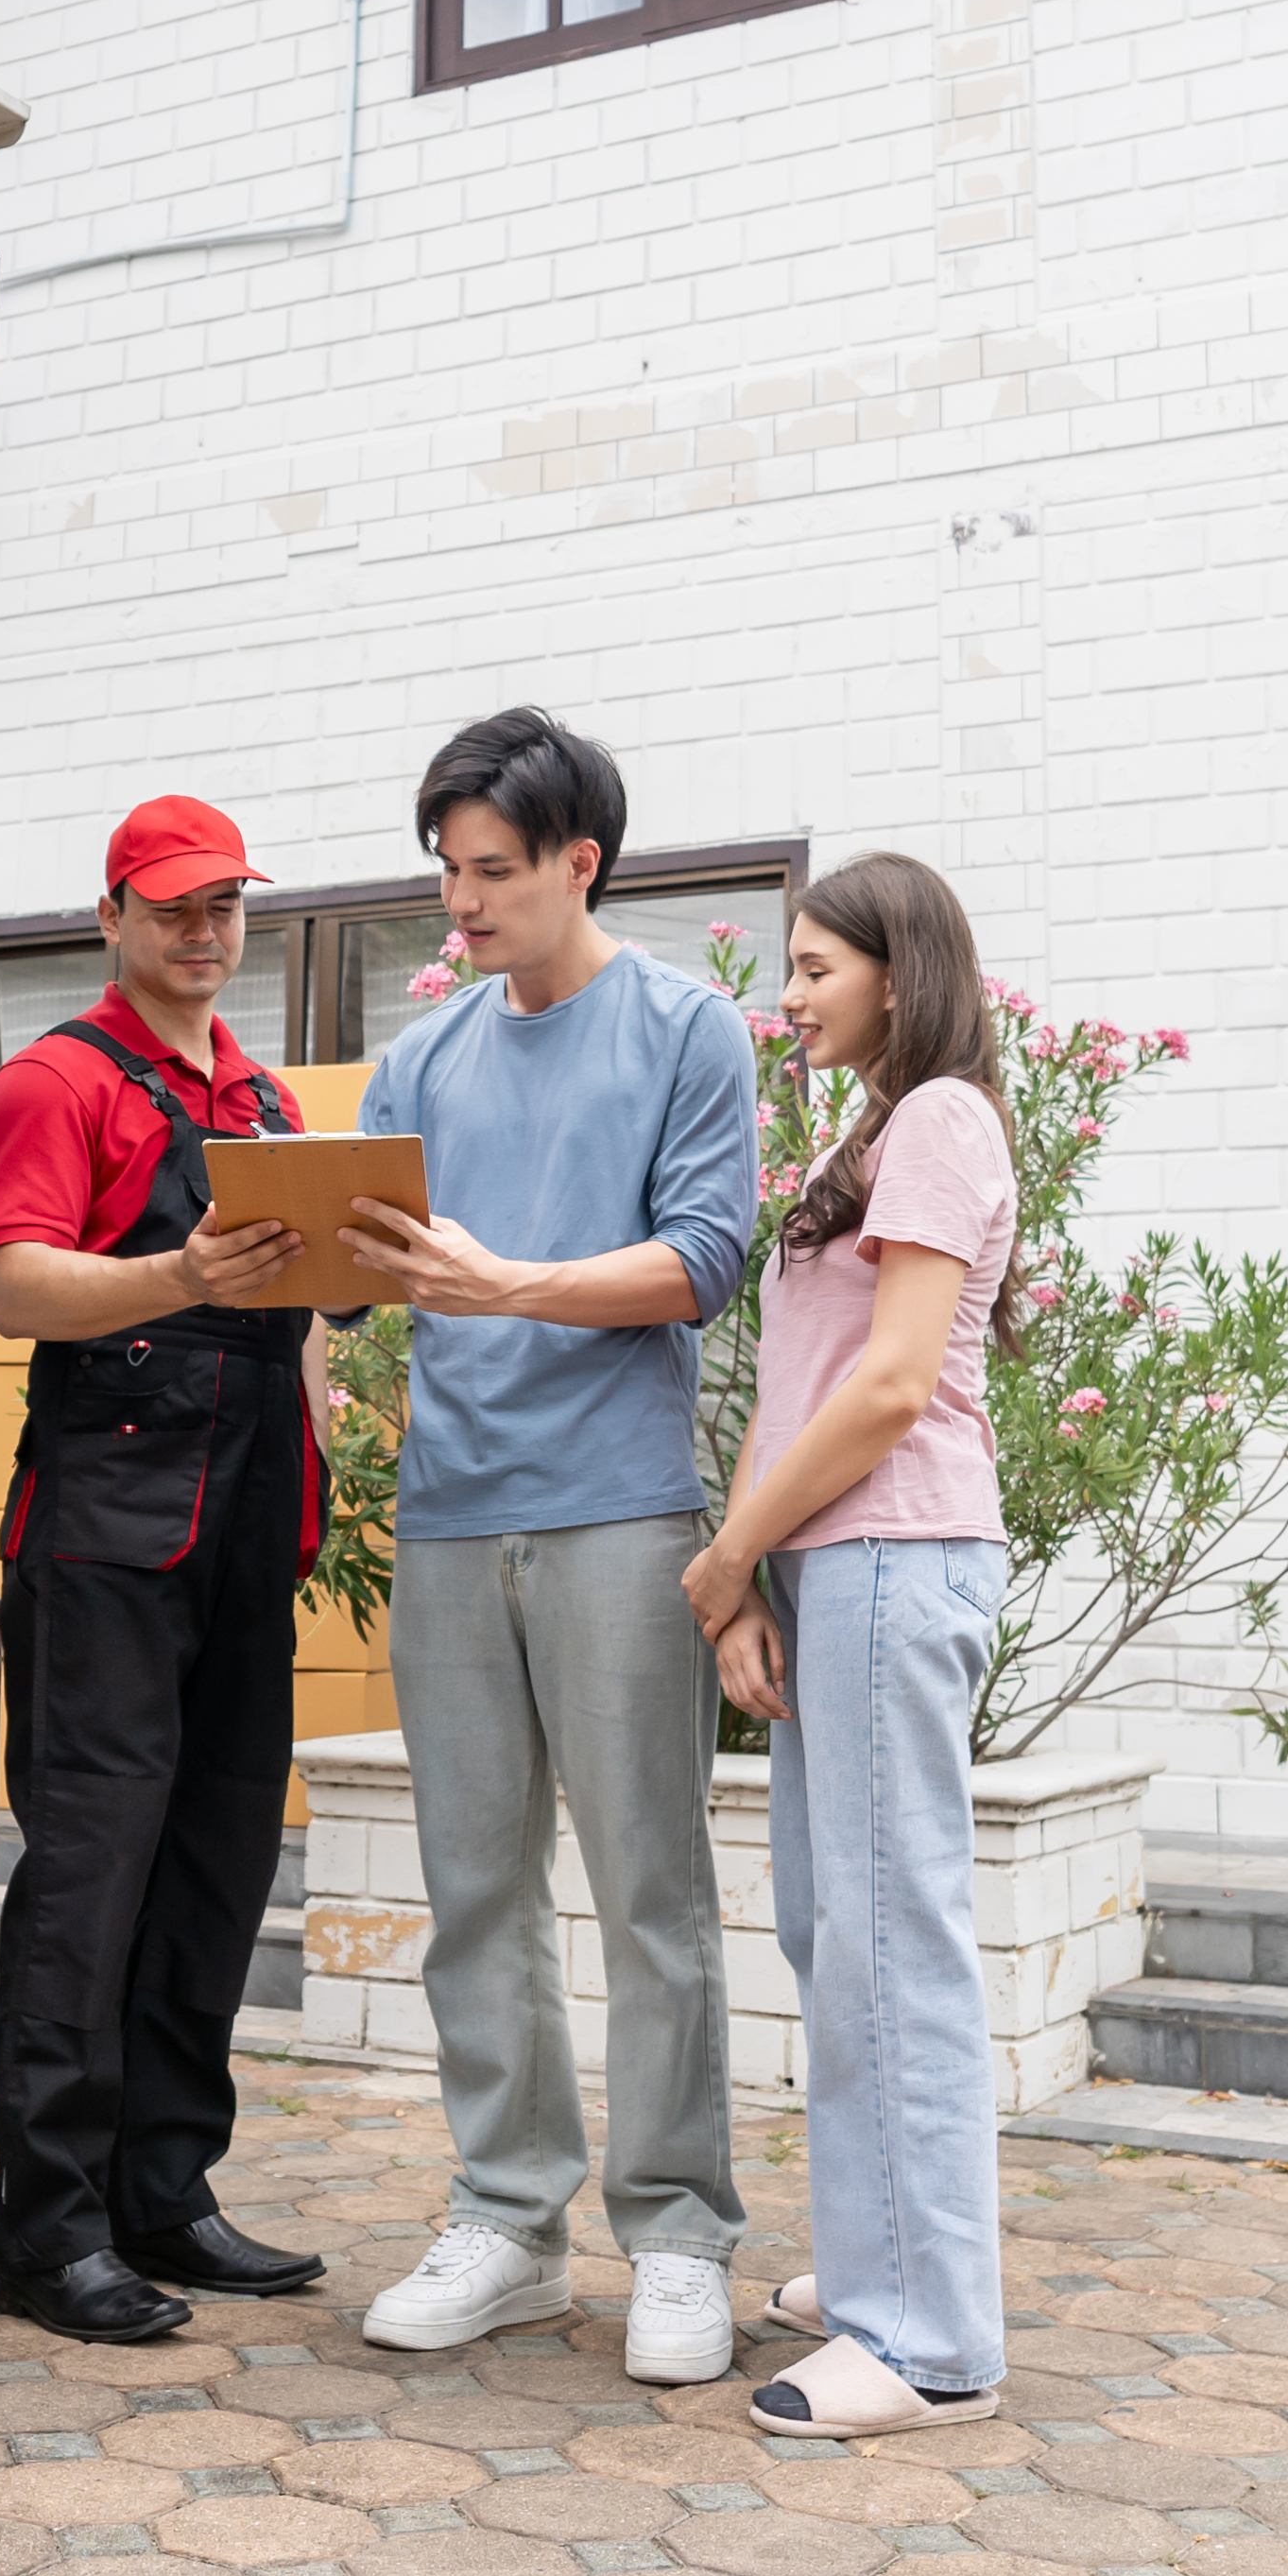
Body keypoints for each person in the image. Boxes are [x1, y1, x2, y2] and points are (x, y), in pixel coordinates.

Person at [330, 710, 760, 2386]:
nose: (460, 905)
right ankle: (508, 2221)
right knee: (474, 1891)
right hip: (450, 1515)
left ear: (584, 861)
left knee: (654, 1890)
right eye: (445, 872)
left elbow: (703, 1259)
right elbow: (369, 1260)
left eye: (491, 871)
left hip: (620, 1511)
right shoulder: (421, 1055)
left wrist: (509, 1281)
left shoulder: (685, 1026)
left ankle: (675, 2236)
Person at [0, 796, 342, 2343]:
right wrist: (181, 1274)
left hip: (252, 1528)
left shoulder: (262, 1099)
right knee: (88, 1878)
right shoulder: (55, 1082)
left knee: (217, 1864)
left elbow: (313, 1302)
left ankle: (164, 2195)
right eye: (177, 908)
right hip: (110, 1536)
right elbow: (14, 1283)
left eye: (227, 908)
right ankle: (47, 2233)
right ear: (115, 916)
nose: (207, 934)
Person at [679, 852, 1019, 2439]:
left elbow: (887, 1393)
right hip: (838, 1568)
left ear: (901, 969)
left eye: (818, 966)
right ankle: (880, 2259)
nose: (789, 993)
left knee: (894, 1939)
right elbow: (804, 1385)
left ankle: (931, 2337)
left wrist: (734, 1550)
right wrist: (749, 1586)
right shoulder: (868, 1127)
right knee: (836, 1928)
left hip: (896, 1552)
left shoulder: (941, 1116)